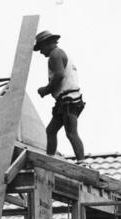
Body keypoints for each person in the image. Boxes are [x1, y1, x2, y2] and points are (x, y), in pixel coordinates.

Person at [34, 30, 87, 165]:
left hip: (69, 100)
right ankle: (50, 159)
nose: (41, 52)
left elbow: (59, 75)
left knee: (71, 132)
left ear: (47, 44)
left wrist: (45, 90)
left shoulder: (55, 55)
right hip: (66, 100)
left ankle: (82, 161)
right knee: (51, 130)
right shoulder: (59, 53)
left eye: (41, 48)